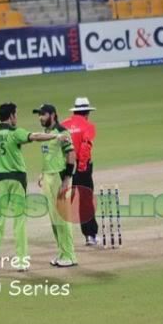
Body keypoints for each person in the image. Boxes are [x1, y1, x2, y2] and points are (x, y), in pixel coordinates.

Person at [0, 102, 69, 275]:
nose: (16, 118)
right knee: (19, 221)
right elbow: (34, 136)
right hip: (17, 180)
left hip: (0, 181)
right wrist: (54, 137)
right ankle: (21, 261)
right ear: (11, 116)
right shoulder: (15, 132)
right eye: (16, 114)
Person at [33, 104, 78, 268]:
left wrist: (67, 178)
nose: (40, 117)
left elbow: (71, 154)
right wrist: (42, 174)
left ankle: (70, 255)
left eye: (43, 114)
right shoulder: (47, 134)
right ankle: (62, 252)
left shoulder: (62, 132)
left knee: (62, 218)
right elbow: (49, 157)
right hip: (48, 177)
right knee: (54, 219)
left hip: (59, 177)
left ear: (53, 115)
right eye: (39, 115)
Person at [61, 97, 98, 246]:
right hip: (81, 167)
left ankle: (63, 239)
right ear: (87, 112)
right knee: (85, 201)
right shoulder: (89, 126)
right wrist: (81, 167)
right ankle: (90, 236)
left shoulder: (63, 125)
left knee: (64, 202)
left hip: (63, 167)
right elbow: (85, 148)